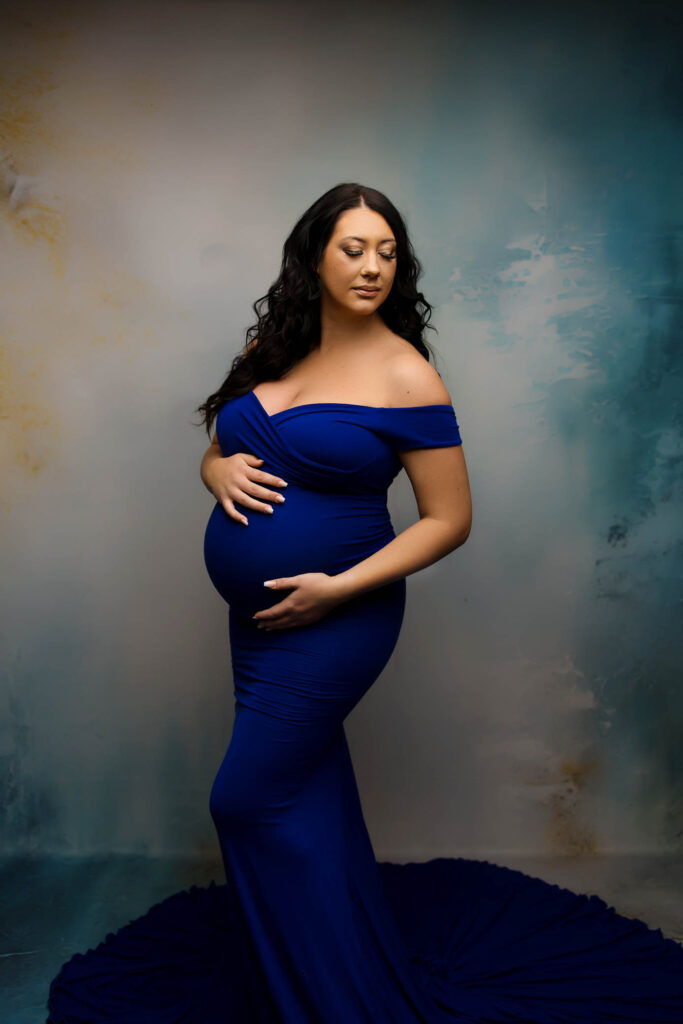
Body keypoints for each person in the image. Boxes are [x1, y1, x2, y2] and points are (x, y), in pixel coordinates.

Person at [48, 184, 683, 1022]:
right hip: (258, 622)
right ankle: (309, 987)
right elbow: (222, 440)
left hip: (340, 617)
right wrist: (214, 470)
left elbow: (450, 520)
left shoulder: (406, 374)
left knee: (246, 798)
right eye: (353, 249)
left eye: (387, 252)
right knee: (308, 797)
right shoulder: (272, 345)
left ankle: (328, 992)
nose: (372, 266)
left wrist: (338, 587)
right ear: (313, 256)